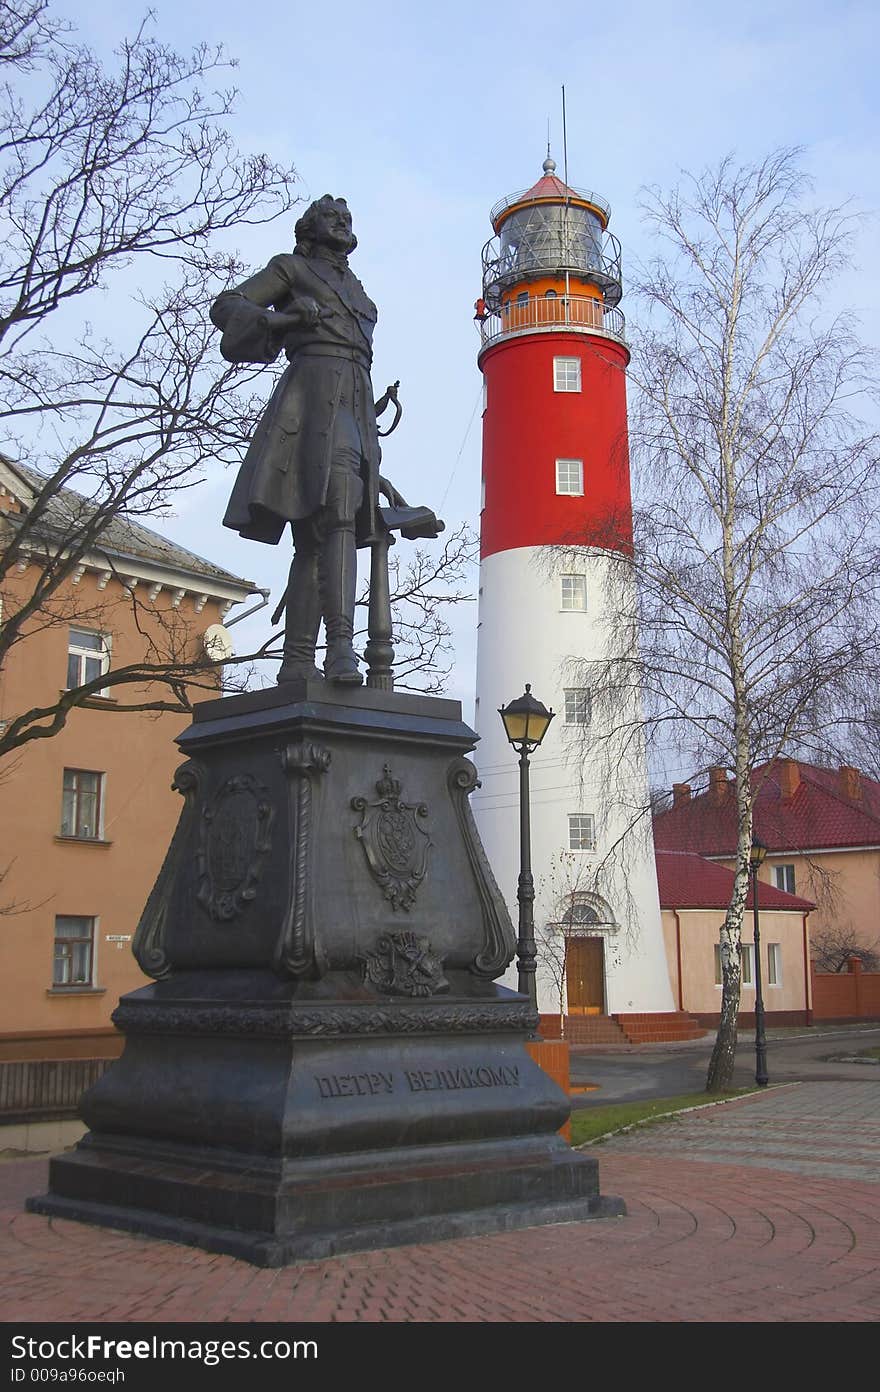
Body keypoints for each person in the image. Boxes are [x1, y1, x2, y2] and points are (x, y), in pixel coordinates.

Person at [210, 195, 403, 685]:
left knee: (323, 530)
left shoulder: (357, 289)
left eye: (347, 215)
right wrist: (290, 318)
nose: (342, 220)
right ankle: (339, 647)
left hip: (355, 401)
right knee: (331, 518)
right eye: (331, 216)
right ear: (311, 227)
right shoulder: (290, 269)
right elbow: (227, 306)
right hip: (311, 396)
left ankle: (298, 659)